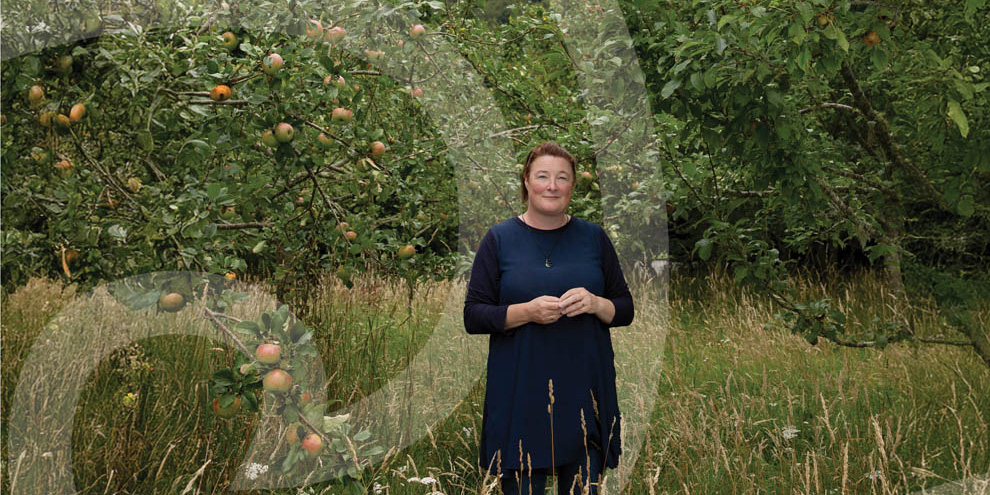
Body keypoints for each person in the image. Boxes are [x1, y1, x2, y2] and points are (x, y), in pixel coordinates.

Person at [463, 142, 634, 495]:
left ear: (572, 185)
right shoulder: (499, 239)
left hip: (584, 396)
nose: (552, 186)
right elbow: (474, 315)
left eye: (562, 178)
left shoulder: (594, 238)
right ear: (526, 181)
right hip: (520, 393)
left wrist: (595, 303)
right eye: (543, 176)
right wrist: (527, 312)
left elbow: (625, 308)